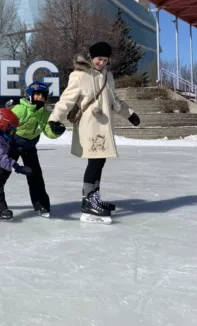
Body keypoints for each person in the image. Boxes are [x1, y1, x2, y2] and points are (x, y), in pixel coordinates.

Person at [47, 41, 141, 224]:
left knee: (99, 162)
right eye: (99, 59)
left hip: (104, 127)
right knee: (95, 162)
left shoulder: (108, 76)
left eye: (105, 60)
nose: (101, 63)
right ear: (91, 57)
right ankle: (89, 201)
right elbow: (66, 100)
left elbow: (115, 101)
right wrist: (54, 119)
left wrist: (130, 114)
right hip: (90, 127)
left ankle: (93, 198)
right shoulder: (80, 75)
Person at [0, 81, 65, 217]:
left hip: (29, 147)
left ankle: (41, 204)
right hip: (12, 145)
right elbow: (5, 122)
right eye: (37, 94)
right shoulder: (19, 109)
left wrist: (57, 131)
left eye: (43, 95)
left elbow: (49, 132)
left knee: (35, 176)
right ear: (30, 95)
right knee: (2, 173)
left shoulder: (45, 114)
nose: (40, 97)